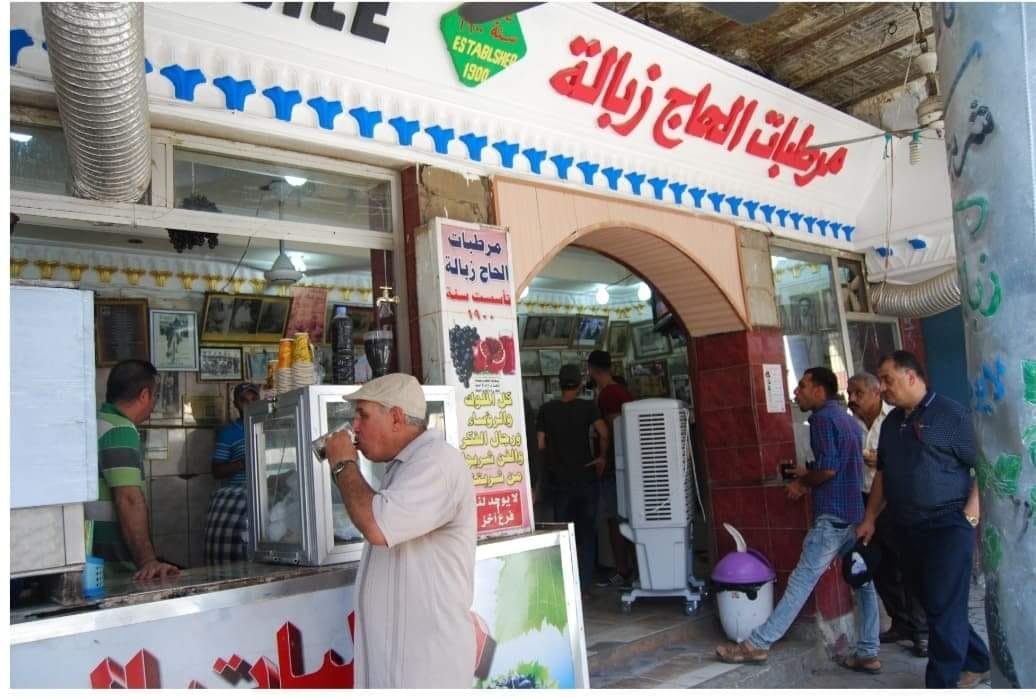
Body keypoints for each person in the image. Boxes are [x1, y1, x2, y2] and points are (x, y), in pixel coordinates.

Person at [717, 367, 879, 672]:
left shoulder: (821, 419)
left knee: (801, 582)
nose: (795, 392)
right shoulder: (847, 420)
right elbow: (840, 465)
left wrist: (802, 484)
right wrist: (809, 473)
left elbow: (829, 469)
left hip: (832, 518)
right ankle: (869, 650)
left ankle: (757, 643)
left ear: (819, 390)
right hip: (853, 515)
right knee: (863, 581)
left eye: (802, 386)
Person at [323, 374, 475, 688]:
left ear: (395, 417)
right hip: (402, 666)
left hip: (427, 669)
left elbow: (376, 525)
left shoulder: (437, 462)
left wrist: (343, 464)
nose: (355, 427)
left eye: (363, 416)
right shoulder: (406, 465)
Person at [857, 351, 990, 688]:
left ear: (911, 376)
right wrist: (870, 517)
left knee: (944, 605)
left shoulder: (950, 415)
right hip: (907, 527)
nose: (882, 387)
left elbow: (984, 463)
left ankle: (941, 682)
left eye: (888, 379)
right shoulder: (892, 423)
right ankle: (977, 659)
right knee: (934, 603)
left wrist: (972, 511)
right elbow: (883, 474)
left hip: (948, 525)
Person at [848, 372, 928, 658]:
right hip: (865, 501)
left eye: (858, 393)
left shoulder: (894, 420)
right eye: (849, 393)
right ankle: (900, 621)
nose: (852, 399)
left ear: (875, 393)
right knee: (879, 566)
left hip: (895, 500)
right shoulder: (851, 424)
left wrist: (883, 462)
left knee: (908, 565)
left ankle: (922, 631)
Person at [88, 360, 180, 581]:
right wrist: (148, 561)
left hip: (92, 564)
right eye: (155, 396)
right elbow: (128, 498)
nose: (153, 403)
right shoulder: (120, 429)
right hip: (113, 569)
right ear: (144, 395)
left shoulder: (96, 423)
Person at [536, 364, 609, 598]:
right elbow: (604, 433)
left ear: (559, 384)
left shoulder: (546, 410)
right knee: (587, 534)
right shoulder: (588, 407)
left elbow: (540, 445)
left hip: (559, 482)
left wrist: (547, 471)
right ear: (578, 385)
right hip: (585, 479)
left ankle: (566, 588)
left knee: (564, 535)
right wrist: (601, 457)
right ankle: (584, 587)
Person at [587, 350, 635, 588]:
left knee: (616, 519)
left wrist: (604, 458)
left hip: (615, 467)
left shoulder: (609, 394)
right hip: (626, 464)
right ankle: (633, 568)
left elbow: (613, 430)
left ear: (592, 369)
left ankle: (622, 571)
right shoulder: (621, 391)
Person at [205, 382, 261, 564]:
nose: (250, 404)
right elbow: (217, 470)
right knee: (244, 552)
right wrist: (243, 463)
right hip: (241, 501)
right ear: (236, 404)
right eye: (244, 400)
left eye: (254, 399)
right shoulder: (229, 433)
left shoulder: (269, 426)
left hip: (267, 498)